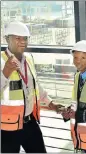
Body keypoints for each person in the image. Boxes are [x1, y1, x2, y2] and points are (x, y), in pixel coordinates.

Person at [1, 21, 63, 153]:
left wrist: (50, 102)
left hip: (30, 122)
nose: (22, 41)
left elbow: (36, 86)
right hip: (7, 128)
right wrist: (5, 73)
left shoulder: (28, 59)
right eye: (17, 38)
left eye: (25, 38)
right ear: (7, 38)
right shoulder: (1, 61)